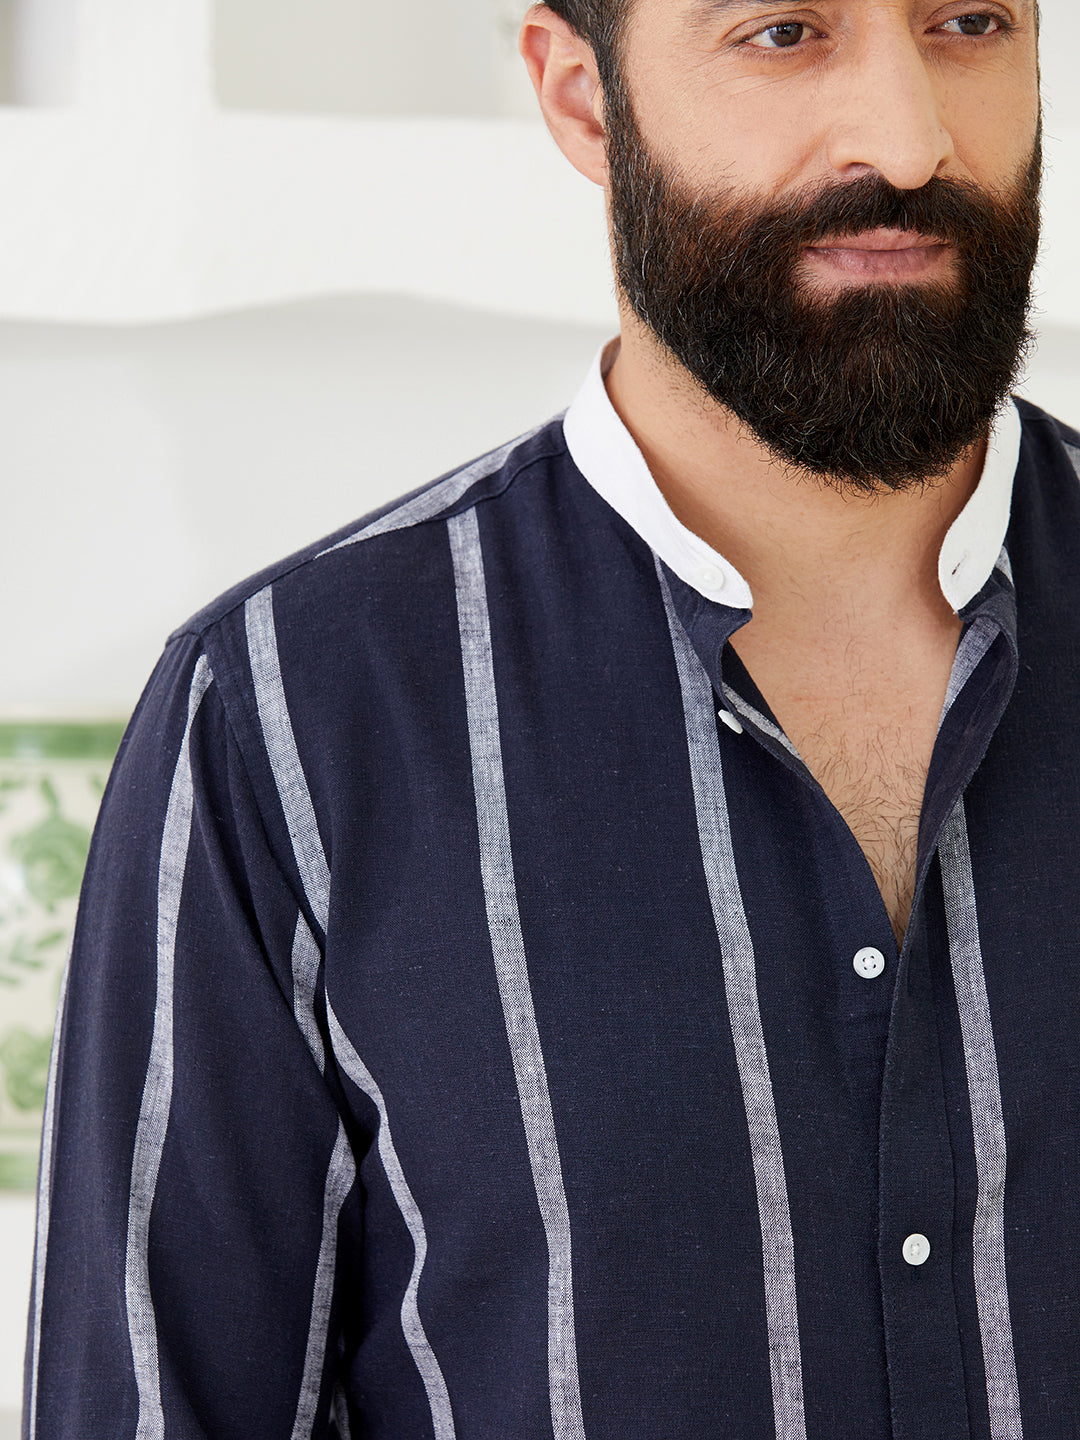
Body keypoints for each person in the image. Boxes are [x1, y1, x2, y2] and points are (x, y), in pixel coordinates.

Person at [23, 1, 1071, 1436]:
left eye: (968, 21)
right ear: (584, 98)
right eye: (784, 32)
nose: (908, 139)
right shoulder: (282, 715)